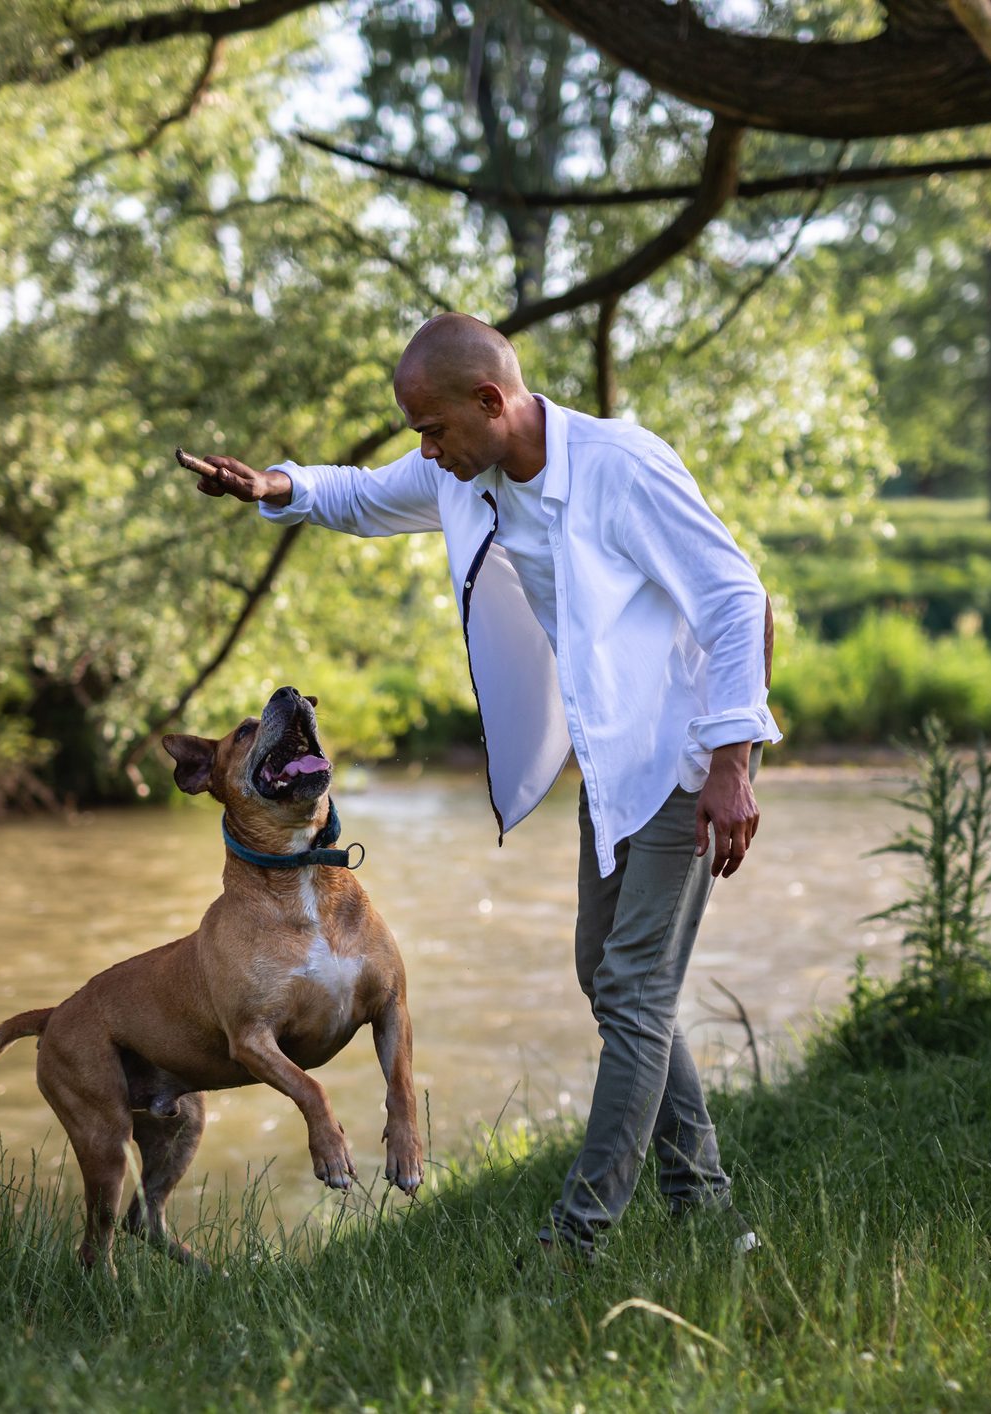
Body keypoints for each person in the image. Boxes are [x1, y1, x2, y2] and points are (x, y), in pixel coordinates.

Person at [186, 312, 779, 1261]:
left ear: (491, 402)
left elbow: (735, 597)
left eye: (434, 430)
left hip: (686, 757)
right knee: (608, 974)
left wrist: (731, 767)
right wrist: (277, 485)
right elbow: (364, 495)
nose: (427, 453)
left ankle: (576, 1237)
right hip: (614, 762)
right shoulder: (467, 471)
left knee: (630, 991)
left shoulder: (621, 465)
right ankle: (701, 1199)